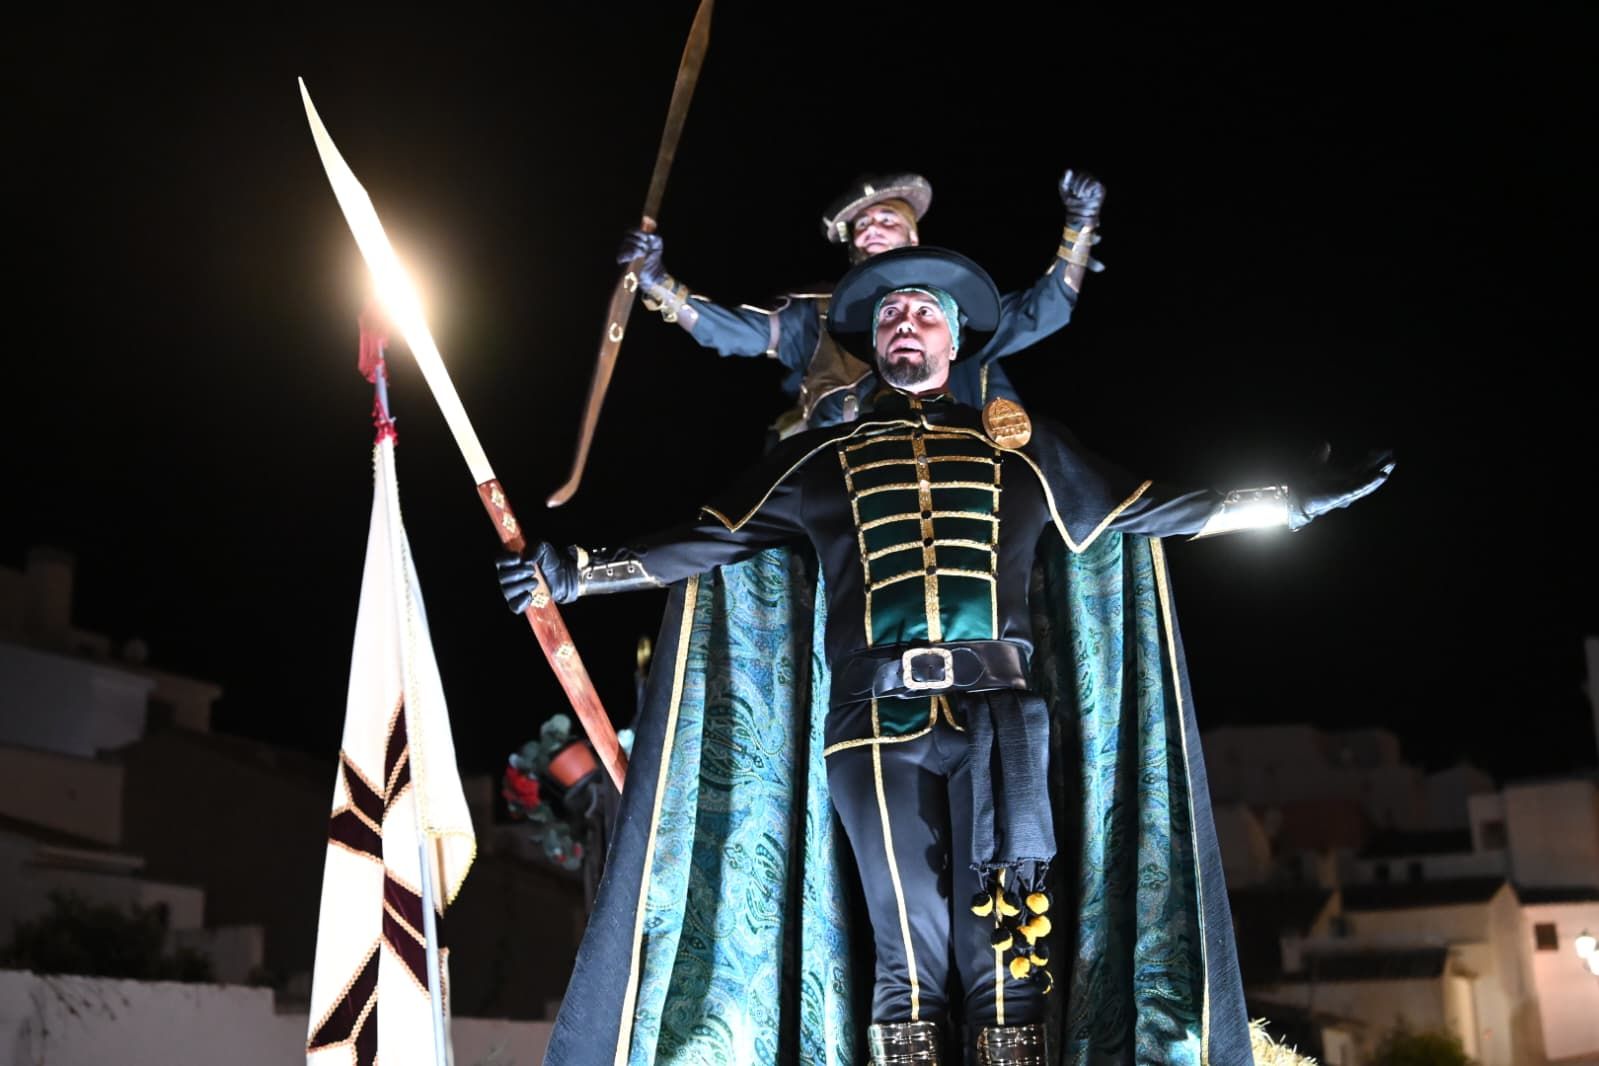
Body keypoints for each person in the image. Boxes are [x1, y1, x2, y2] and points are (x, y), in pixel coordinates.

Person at [501, 247, 1392, 1065]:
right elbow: (706, 541)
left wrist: (1292, 505)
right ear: (870, 341)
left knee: (1008, 958)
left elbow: (1161, 509)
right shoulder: (819, 459)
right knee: (908, 955)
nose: (903, 322)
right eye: (889, 314)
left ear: (955, 335)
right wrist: (575, 574)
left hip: (1002, 723)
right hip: (873, 726)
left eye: (922, 312)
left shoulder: (1026, 450)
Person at [619, 170, 1104, 437]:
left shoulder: (959, 310)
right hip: (841, 481)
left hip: (963, 468)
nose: (870, 228)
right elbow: (735, 333)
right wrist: (659, 283)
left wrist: (1079, 224)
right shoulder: (819, 312)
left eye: (886, 220)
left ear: (913, 233)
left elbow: (1048, 310)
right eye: (861, 225)